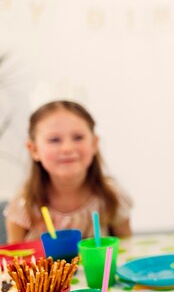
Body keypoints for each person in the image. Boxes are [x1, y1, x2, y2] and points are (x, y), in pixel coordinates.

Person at [3, 100, 132, 243]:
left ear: (94, 144)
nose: (67, 148)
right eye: (54, 140)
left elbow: (126, 251)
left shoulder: (111, 196)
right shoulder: (24, 204)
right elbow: (14, 258)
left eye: (78, 138)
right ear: (34, 149)